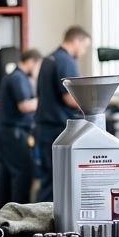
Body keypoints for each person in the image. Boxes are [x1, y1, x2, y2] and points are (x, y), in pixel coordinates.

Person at [34, 26, 91, 201]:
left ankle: (39, 224)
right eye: (84, 47)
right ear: (76, 41)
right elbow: (70, 98)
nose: (82, 52)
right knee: (58, 182)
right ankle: (49, 226)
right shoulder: (65, 61)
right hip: (59, 131)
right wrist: (95, 105)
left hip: (45, 129)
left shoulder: (48, 59)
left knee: (48, 180)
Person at [0, 48, 41, 206]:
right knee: (22, 173)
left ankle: (5, 211)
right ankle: (19, 213)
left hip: (8, 131)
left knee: (8, 174)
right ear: (31, 62)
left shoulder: (14, 77)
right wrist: (46, 100)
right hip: (14, 132)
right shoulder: (18, 78)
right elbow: (24, 106)